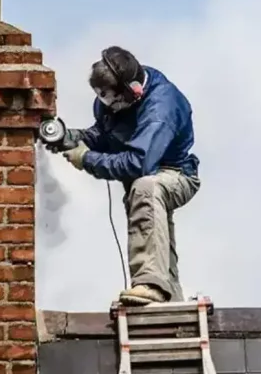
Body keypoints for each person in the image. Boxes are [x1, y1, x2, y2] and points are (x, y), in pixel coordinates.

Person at [52, 46, 201, 306]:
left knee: (146, 187)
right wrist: (73, 138)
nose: (108, 106)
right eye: (103, 100)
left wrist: (86, 159)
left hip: (175, 174)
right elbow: (107, 134)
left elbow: (137, 163)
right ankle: (169, 297)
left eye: (113, 101)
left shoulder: (161, 108)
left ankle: (150, 285)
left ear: (134, 91)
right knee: (154, 228)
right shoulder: (114, 100)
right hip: (145, 178)